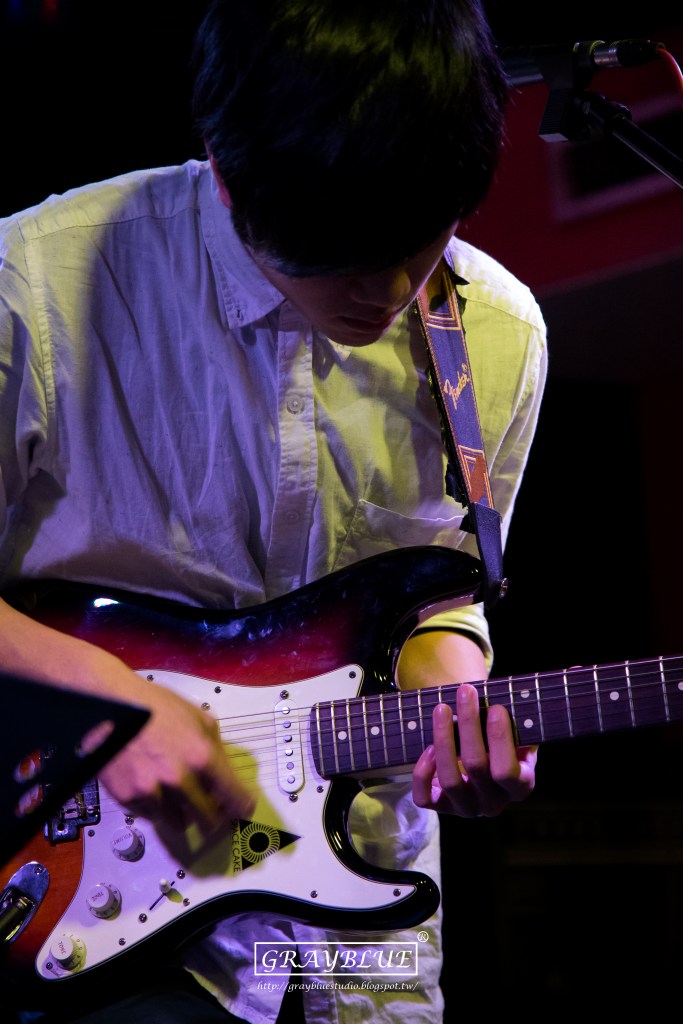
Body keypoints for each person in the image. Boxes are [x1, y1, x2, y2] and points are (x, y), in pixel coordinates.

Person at [0, 1, 546, 1022]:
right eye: (341, 256)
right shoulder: (35, 283)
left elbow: (437, 593)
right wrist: (107, 700)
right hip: (71, 894)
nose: (388, 290)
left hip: (363, 940)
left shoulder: (497, 333)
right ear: (225, 172)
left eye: (421, 242)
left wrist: (455, 701)